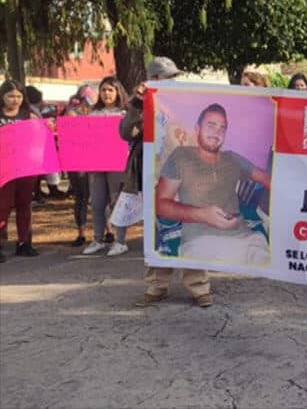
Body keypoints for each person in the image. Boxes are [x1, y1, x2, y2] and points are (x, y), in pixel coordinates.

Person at [127, 57, 214, 308]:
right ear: (153, 79)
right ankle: (157, 284)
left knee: (192, 230)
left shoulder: (188, 103)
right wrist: (136, 105)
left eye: (174, 77)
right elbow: (125, 132)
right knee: (158, 232)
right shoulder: (143, 105)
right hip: (155, 178)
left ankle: (199, 286)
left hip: (187, 178)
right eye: (167, 77)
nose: (173, 81)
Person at [155, 103, 271, 266]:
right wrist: (202, 215)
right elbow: (160, 205)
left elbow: (267, 180)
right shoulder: (181, 156)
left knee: (268, 268)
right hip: (201, 241)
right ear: (197, 129)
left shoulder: (232, 159)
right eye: (211, 126)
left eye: (222, 128)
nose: (216, 133)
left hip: (246, 240)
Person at [81, 77, 131, 256]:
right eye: (103, 90)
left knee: (116, 202)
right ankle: (97, 239)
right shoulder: (92, 115)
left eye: (110, 90)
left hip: (118, 164)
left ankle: (120, 240)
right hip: (96, 164)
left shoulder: (125, 114)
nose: (106, 93)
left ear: (118, 92)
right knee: (97, 203)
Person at [0, 79, 43, 260]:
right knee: (3, 206)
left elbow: (40, 137)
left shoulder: (29, 115)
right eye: (11, 96)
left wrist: (45, 127)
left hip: (25, 168)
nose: (15, 100)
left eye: (18, 96)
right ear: (2, 96)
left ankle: (24, 242)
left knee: (25, 204)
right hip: (3, 168)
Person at [64, 85, 97, 246]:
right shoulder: (72, 113)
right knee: (82, 196)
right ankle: (81, 233)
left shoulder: (95, 113)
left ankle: (108, 230)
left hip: (96, 159)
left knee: (100, 197)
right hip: (78, 161)